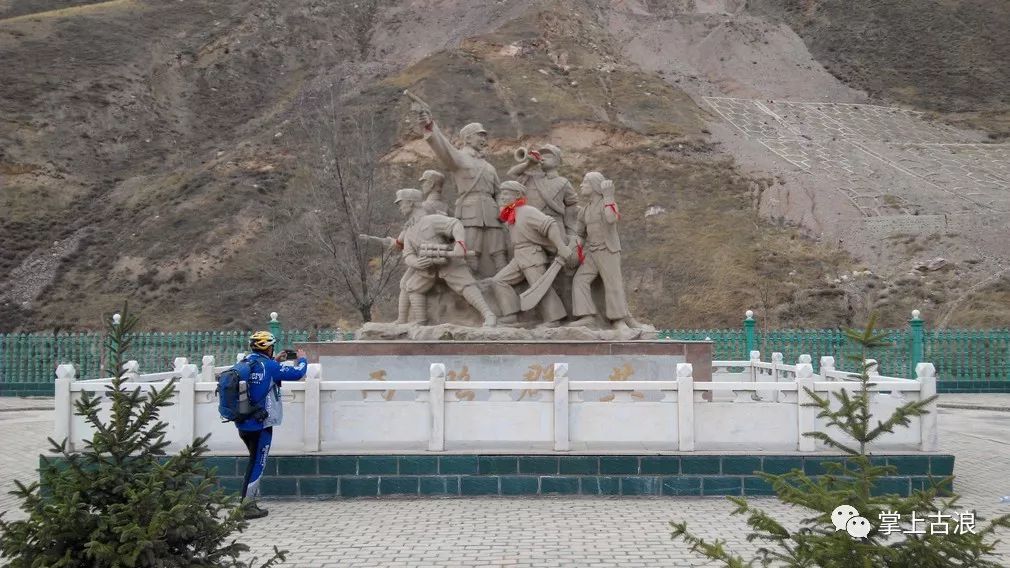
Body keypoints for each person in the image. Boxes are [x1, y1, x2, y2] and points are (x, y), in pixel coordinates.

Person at [417, 111, 508, 276]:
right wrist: (431, 126)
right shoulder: (460, 158)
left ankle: (504, 288)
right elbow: (443, 148)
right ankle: (472, 290)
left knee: (500, 254)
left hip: (492, 214)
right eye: (479, 136)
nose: (483, 140)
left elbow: (499, 192)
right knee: (471, 254)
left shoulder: (489, 167)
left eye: (484, 136)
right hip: (469, 213)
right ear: (467, 138)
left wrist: (502, 208)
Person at [396, 188, 498, 326]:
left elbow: (455, 224)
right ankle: (420, 322)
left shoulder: (430, 220)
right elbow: (408, 254)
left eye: (401, 203)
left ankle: (488, 314)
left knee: (466, 285)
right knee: (412, 286)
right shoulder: (409, 230)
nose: (400, 207)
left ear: (411, 203)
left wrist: (460, 244)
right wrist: (416, 263)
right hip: (427, 267)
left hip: (448, 262)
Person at [235, 330, 308, 519]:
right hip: (261, 424)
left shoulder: (245, 363)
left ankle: (244, 501)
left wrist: (276, 360)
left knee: (252, 462)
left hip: (243, 423)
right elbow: (298, 373)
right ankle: (248, 507)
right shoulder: (269, 366)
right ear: (268, 347)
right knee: (258, 463)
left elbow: (262, 377)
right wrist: (302, 359)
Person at [487, 181, 576, 327]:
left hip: (532, 255)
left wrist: (560, 246)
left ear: (517, 195)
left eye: (506, 193)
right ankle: (511, 315)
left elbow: (550, 224)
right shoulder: (511, 213)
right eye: (501, 193)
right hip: (519, 256)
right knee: (499, 281)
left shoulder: (527, 211)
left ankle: (553, 318)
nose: (502, 197)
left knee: (540, 286)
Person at [568, 173, 640, 330]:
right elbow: (580, 234)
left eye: (585, 182)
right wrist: (574, 248)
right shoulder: (585, 210)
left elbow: (611, 218)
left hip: (608, 249)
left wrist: (608, 196)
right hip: (592, 252)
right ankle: (586, 316)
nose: (581, 185)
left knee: (612, 284)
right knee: (580, 280)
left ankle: (618, 320)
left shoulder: (607, 203)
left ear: (595, 185)